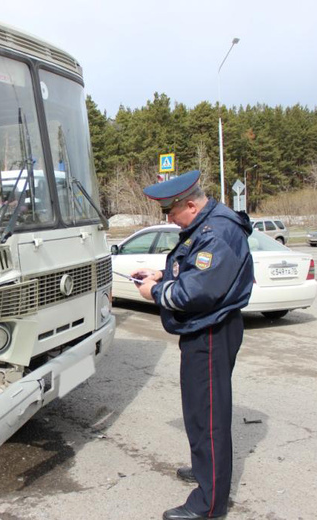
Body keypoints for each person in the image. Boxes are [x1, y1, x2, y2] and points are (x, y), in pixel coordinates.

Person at [130, 170, 253, 520]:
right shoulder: (207, 224)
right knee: (199, 411)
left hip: (211, 331)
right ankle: (205, 470)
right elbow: (191, 271)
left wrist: (154, 291)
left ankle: (209, 504)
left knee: (208, 416)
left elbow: (196, 291)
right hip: (206, 330)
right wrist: (161, 274)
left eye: (171, 212)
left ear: (191, 204)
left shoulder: (218, 232)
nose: (169, 219)